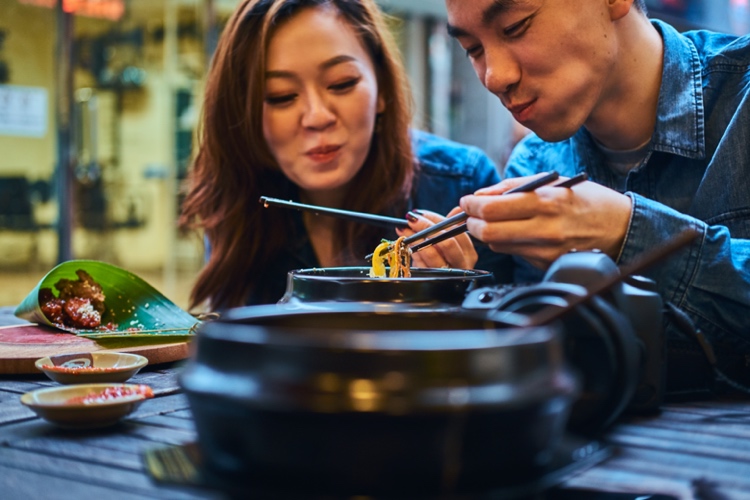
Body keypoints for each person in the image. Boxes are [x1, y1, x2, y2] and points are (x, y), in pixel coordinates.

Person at [445, 0, 750, 390]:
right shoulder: (531, 166)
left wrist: (630, 232)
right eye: (473, 49)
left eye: (515, 27)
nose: (494, 77)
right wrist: (451, 281)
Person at [179, 0, 505, 310]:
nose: (317, 116)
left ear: (381, 90)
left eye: (341, 83)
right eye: (281, 96)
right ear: (244, 113)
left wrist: (461, 300)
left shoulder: (462, 186)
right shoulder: (239, 204)